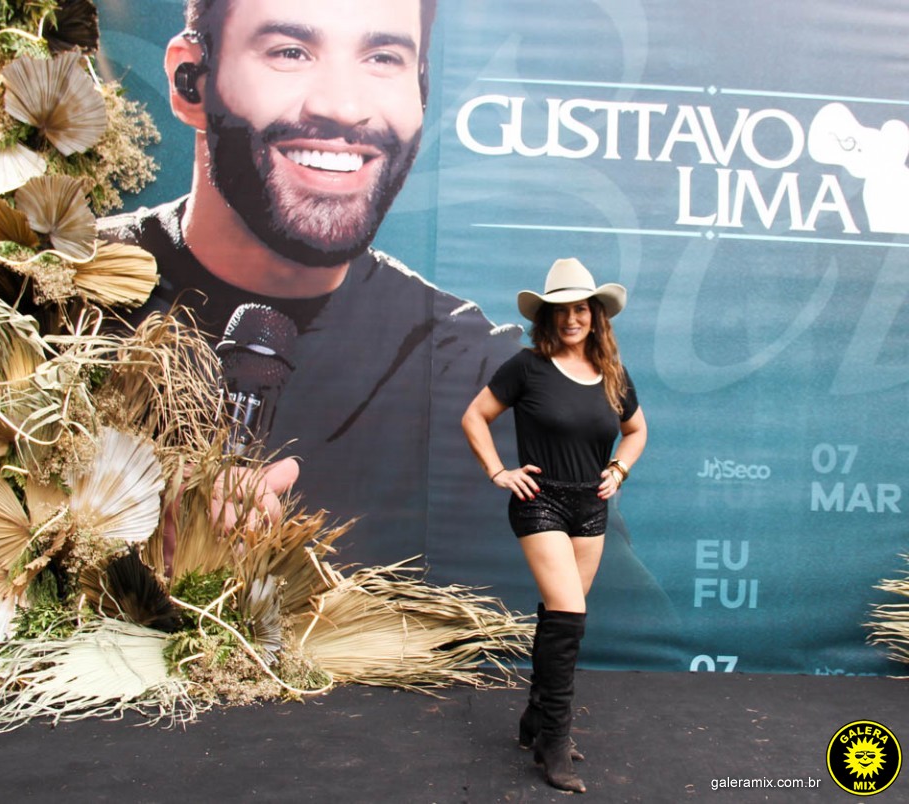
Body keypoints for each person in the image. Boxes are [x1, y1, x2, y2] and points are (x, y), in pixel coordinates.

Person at [98, 0, 523, 565]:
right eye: (290, 52)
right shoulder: (45, 295)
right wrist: (121, 545)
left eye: (382, 58)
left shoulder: (471, 369)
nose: (343, 107)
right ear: (191, 80)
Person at [461, 257, 648, 794]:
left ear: (595, 315)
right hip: (540, 501)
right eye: (561, 310)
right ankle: (555, 741)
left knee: (559, 619)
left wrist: (618, 469)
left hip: (590, 505)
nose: (571, 318)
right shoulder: (527, 366)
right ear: (547, 317)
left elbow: (636, 431)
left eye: (581, 309)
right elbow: (474, 416)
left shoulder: (613, 375)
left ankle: (535, 717)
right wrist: (499, 471)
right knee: (569, 613)